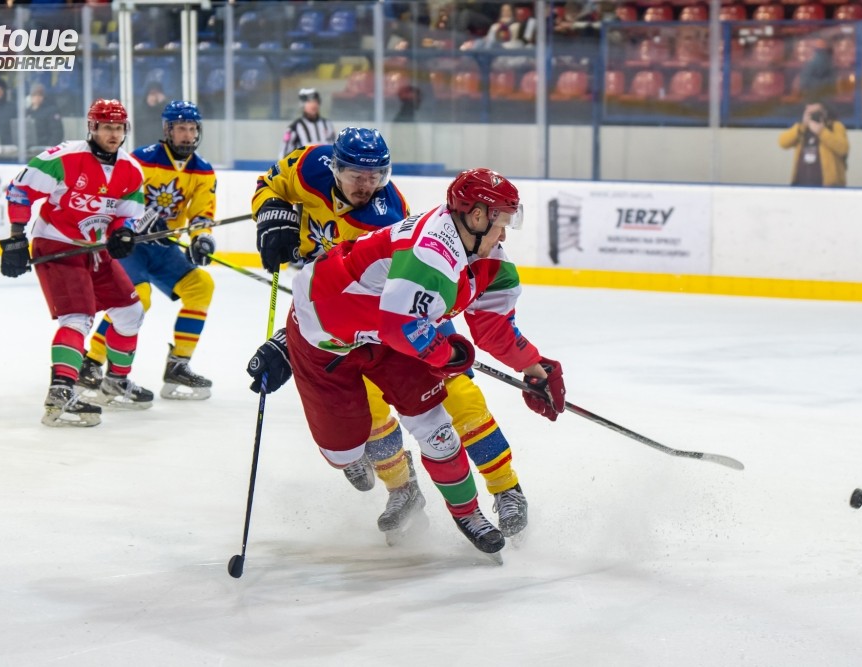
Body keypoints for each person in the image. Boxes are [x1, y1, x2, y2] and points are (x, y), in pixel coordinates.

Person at [247, 167, 566, 556]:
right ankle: (393, 477)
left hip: (389, 334)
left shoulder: (482, 257)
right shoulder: (429, 252)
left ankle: (471, 511)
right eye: (502, 223)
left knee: (440, 421)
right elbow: (402, 326)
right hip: (327, 336)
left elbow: (490, 328)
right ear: (477, 216)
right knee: (344, 450)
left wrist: (535, 367)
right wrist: (448, 354)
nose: (504, 236)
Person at [0, 98, 154, 427]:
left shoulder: (131, 170)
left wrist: (122, 233)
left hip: (95, 250)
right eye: (107, 127)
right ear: (92, 127)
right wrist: (16, 238)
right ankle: (61, 393)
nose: (114, 134)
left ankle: (115, 382)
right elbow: (20, 190)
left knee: (131, 313)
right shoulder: (65, 157)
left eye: (119, 128)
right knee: (78, 318)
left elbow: (127, 215)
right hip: (57, 245)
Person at [78, 100, 217, 400]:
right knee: (136, 298)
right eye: (181, 128)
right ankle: (91, 363)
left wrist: (202, 238)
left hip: (162, 248)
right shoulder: (141, 160)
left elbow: (202, 213)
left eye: (192, 128)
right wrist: (140, 220)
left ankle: (178, 364)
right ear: (168, 130)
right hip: (130, 246)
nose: (188, 135)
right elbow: (120, 199)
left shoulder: (203, 170)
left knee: (201, 286)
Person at [778, 101, 849, 187]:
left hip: (828, 185)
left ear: (825, 112)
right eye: (809, 113)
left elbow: (843, 148)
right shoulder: (802, 129)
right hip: (801, 184)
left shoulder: (834, 126)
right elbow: (783, 143)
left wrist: (822, 132)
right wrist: (802, 126)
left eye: (816, 112)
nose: (813, 115)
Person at [277, 88, 336, 160]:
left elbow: (334, 149)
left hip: (327, 164)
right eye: (309, 102)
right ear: (302, 104)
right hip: (303, 165)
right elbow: (283, 155)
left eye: (315, 101)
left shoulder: (328, 124)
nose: (313, 105)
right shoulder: (294, 128)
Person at [26, 83, 65, 148]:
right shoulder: (27, 112)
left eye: (39, 95)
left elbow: (57, 133)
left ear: (43, 96)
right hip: (30, 149)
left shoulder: (52, 111)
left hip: (45, 148)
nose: (37, 98)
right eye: (34, 95)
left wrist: (50, 149)